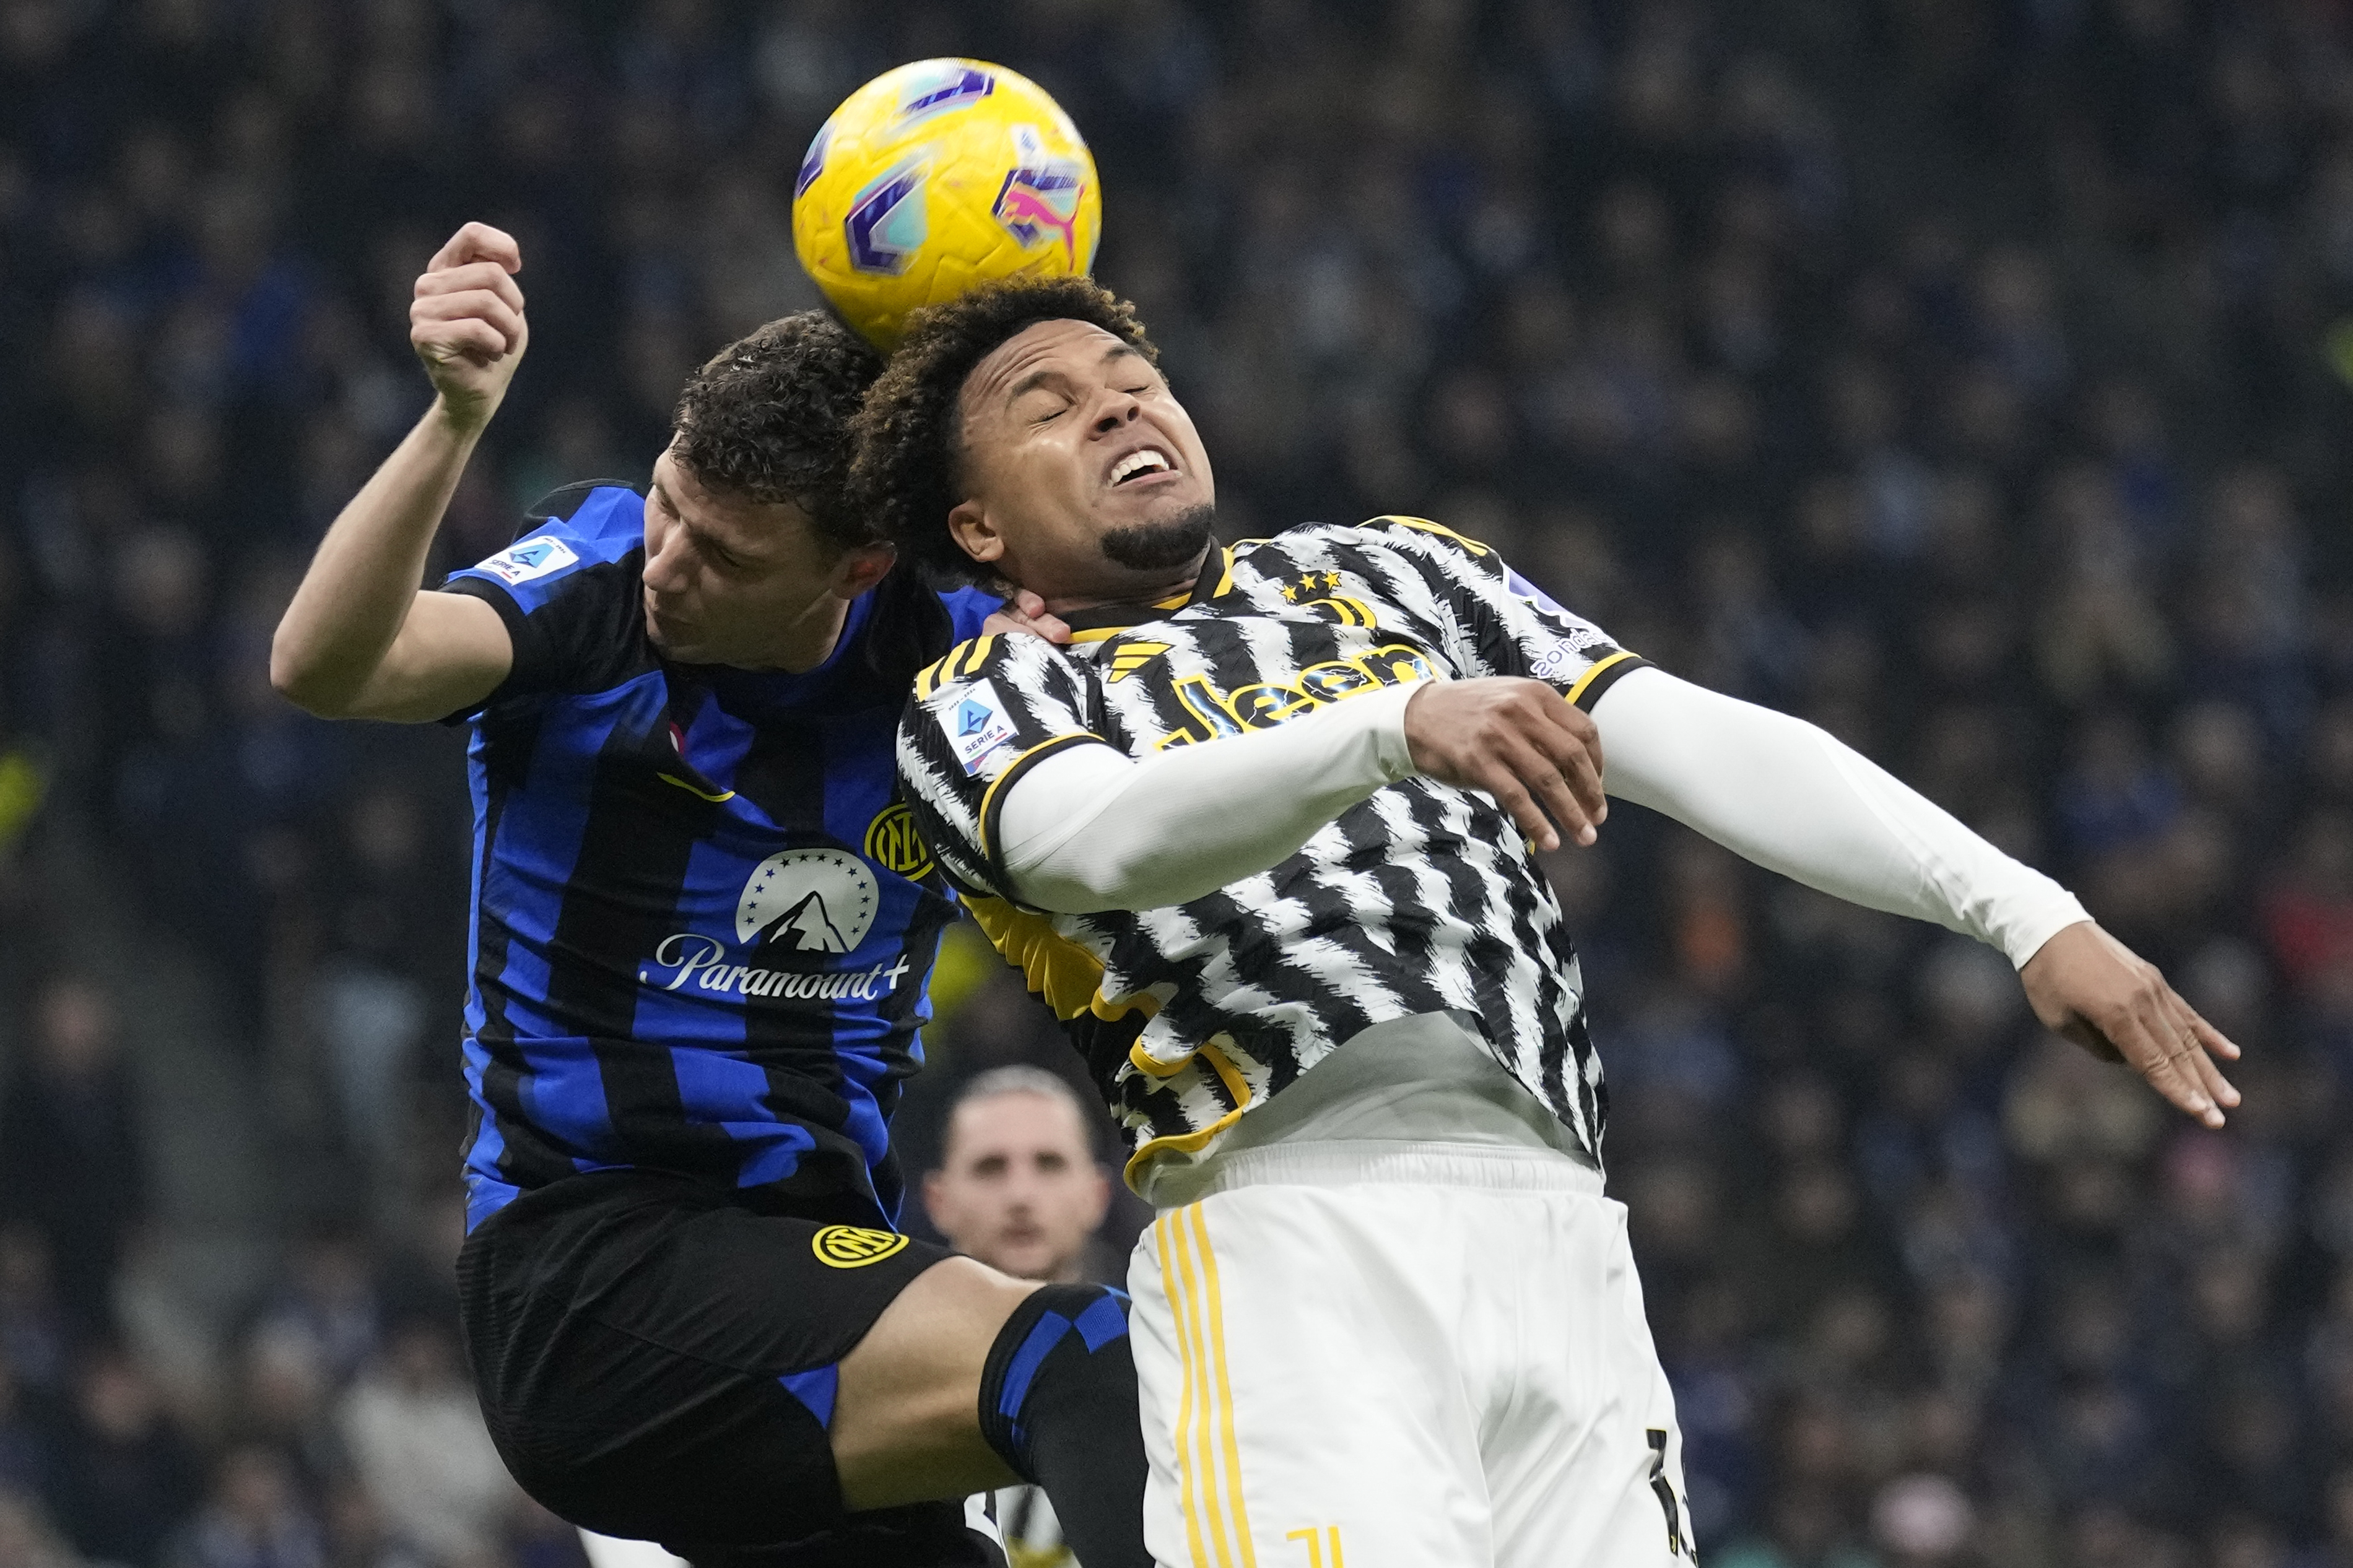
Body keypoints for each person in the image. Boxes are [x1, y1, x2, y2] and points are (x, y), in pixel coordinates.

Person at [859, 276, 2243, 1567]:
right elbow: (1092, 838)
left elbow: (1698, 741)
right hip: (1290, 1240)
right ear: (978, 529)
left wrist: (2023, 912)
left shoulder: (1389, 573)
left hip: (1565, 1238)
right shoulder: (985, 694)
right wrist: (1395, 724)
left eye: (1134, 381)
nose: (1118, 409)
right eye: (1051, 408)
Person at [269, 225, 1149, 1568]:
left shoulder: (963, 668)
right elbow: (329, 665)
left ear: (858, 569)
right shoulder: (594, 590)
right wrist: (453, 420)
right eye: (671, 504)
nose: (670, 562)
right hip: (596, 1272)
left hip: (814, 1277)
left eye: (727, 555)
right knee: (1082, 1353)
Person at [924, 1068, 1116, 1568]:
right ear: (938, 1200)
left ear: (1097, 1194)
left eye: (1049, 1163)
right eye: (990, 1167)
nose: (1020, 1195)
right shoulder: (878, 1377)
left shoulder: (1168, 1369)